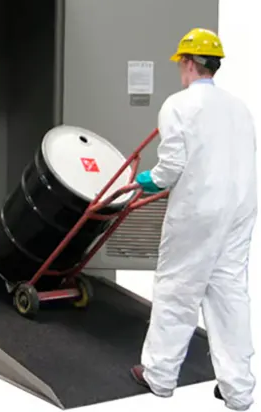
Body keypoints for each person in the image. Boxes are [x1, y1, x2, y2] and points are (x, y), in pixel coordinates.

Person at [129, 28, 257, 411]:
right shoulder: (240, 107)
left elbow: (171, 168)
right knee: (229, 294)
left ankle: (159, 375)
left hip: (199, 211)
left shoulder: (178, 105)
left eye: (180, 64)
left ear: (187, 63)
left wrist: (147, 180)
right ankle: (238, 390)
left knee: (177, 289)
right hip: (240, 209)